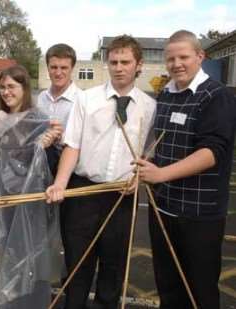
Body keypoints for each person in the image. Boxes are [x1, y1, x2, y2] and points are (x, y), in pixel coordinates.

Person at [45, 35, 156, 309]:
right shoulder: (87, 99)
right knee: (78, 263)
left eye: (125, 62)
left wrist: (137, 180)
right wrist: (60, 183)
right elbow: (72, 145)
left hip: (121, 196)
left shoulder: (150, 106)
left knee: (113, 266)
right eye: (114, 61)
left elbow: (147, 154)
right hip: (82, 192)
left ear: (138, 65)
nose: (118, 67)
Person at [136, 30, 236, 309]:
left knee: (199, 292)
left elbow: (212, 152)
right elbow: (161, 141)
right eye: (171, 58)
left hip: (199, 214)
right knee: (168, 287)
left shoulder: (217, 96)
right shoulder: (165, 94)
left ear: (200, 56)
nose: (177, 64)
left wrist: (161, 174)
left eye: (184, 57)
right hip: (164, 208)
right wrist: (146, 159)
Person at [0, 64, 62, 308]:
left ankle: (28, 302)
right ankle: (8, 301)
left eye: (12, 86)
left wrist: (50, 141)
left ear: (24, 88)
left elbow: (48, 165)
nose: (6, 92)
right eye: (3, 87)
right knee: (5, 254)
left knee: (30, 254)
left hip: (30, 202)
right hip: (3, 201)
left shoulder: (38, 119)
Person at [37, 43, 82, 129]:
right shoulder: (41, 98)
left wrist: (62, 137)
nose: (58, 73)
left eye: (64, 68)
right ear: (48, 68)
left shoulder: (82, 100)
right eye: (54, 67)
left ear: (72, 69)